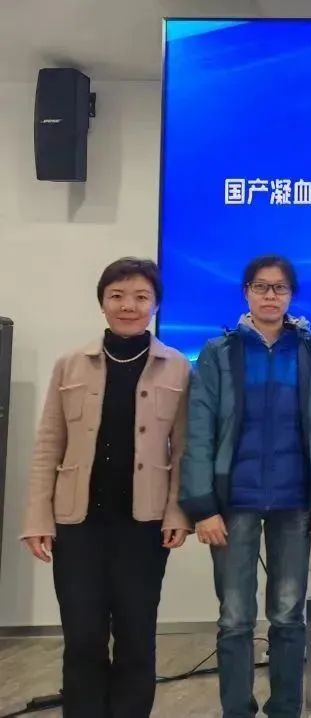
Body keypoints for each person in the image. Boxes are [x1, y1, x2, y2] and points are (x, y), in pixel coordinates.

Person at [21, 257, 191, 718]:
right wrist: (37, 518)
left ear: (155, 305)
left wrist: (177, 512)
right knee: (82, 638)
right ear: (102, 303)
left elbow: (184, 450)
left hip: (144, 525)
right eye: (117, 296)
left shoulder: (177, 367)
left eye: (140, 297)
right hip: (78, 525)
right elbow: (48, 444)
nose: (128, 305)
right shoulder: (70, 364)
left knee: (137, 636)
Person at [179, 255, 311, 718]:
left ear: (291, 295)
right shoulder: (219, 352)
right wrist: (202, 506)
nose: (270, 296)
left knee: (289, 614)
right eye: (260, 287)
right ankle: (237, 710)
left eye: (279, 288)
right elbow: (198, 430)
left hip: (295, 500)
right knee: (234, 618)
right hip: (233, 503)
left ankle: (285, 709)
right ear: (246, 293)